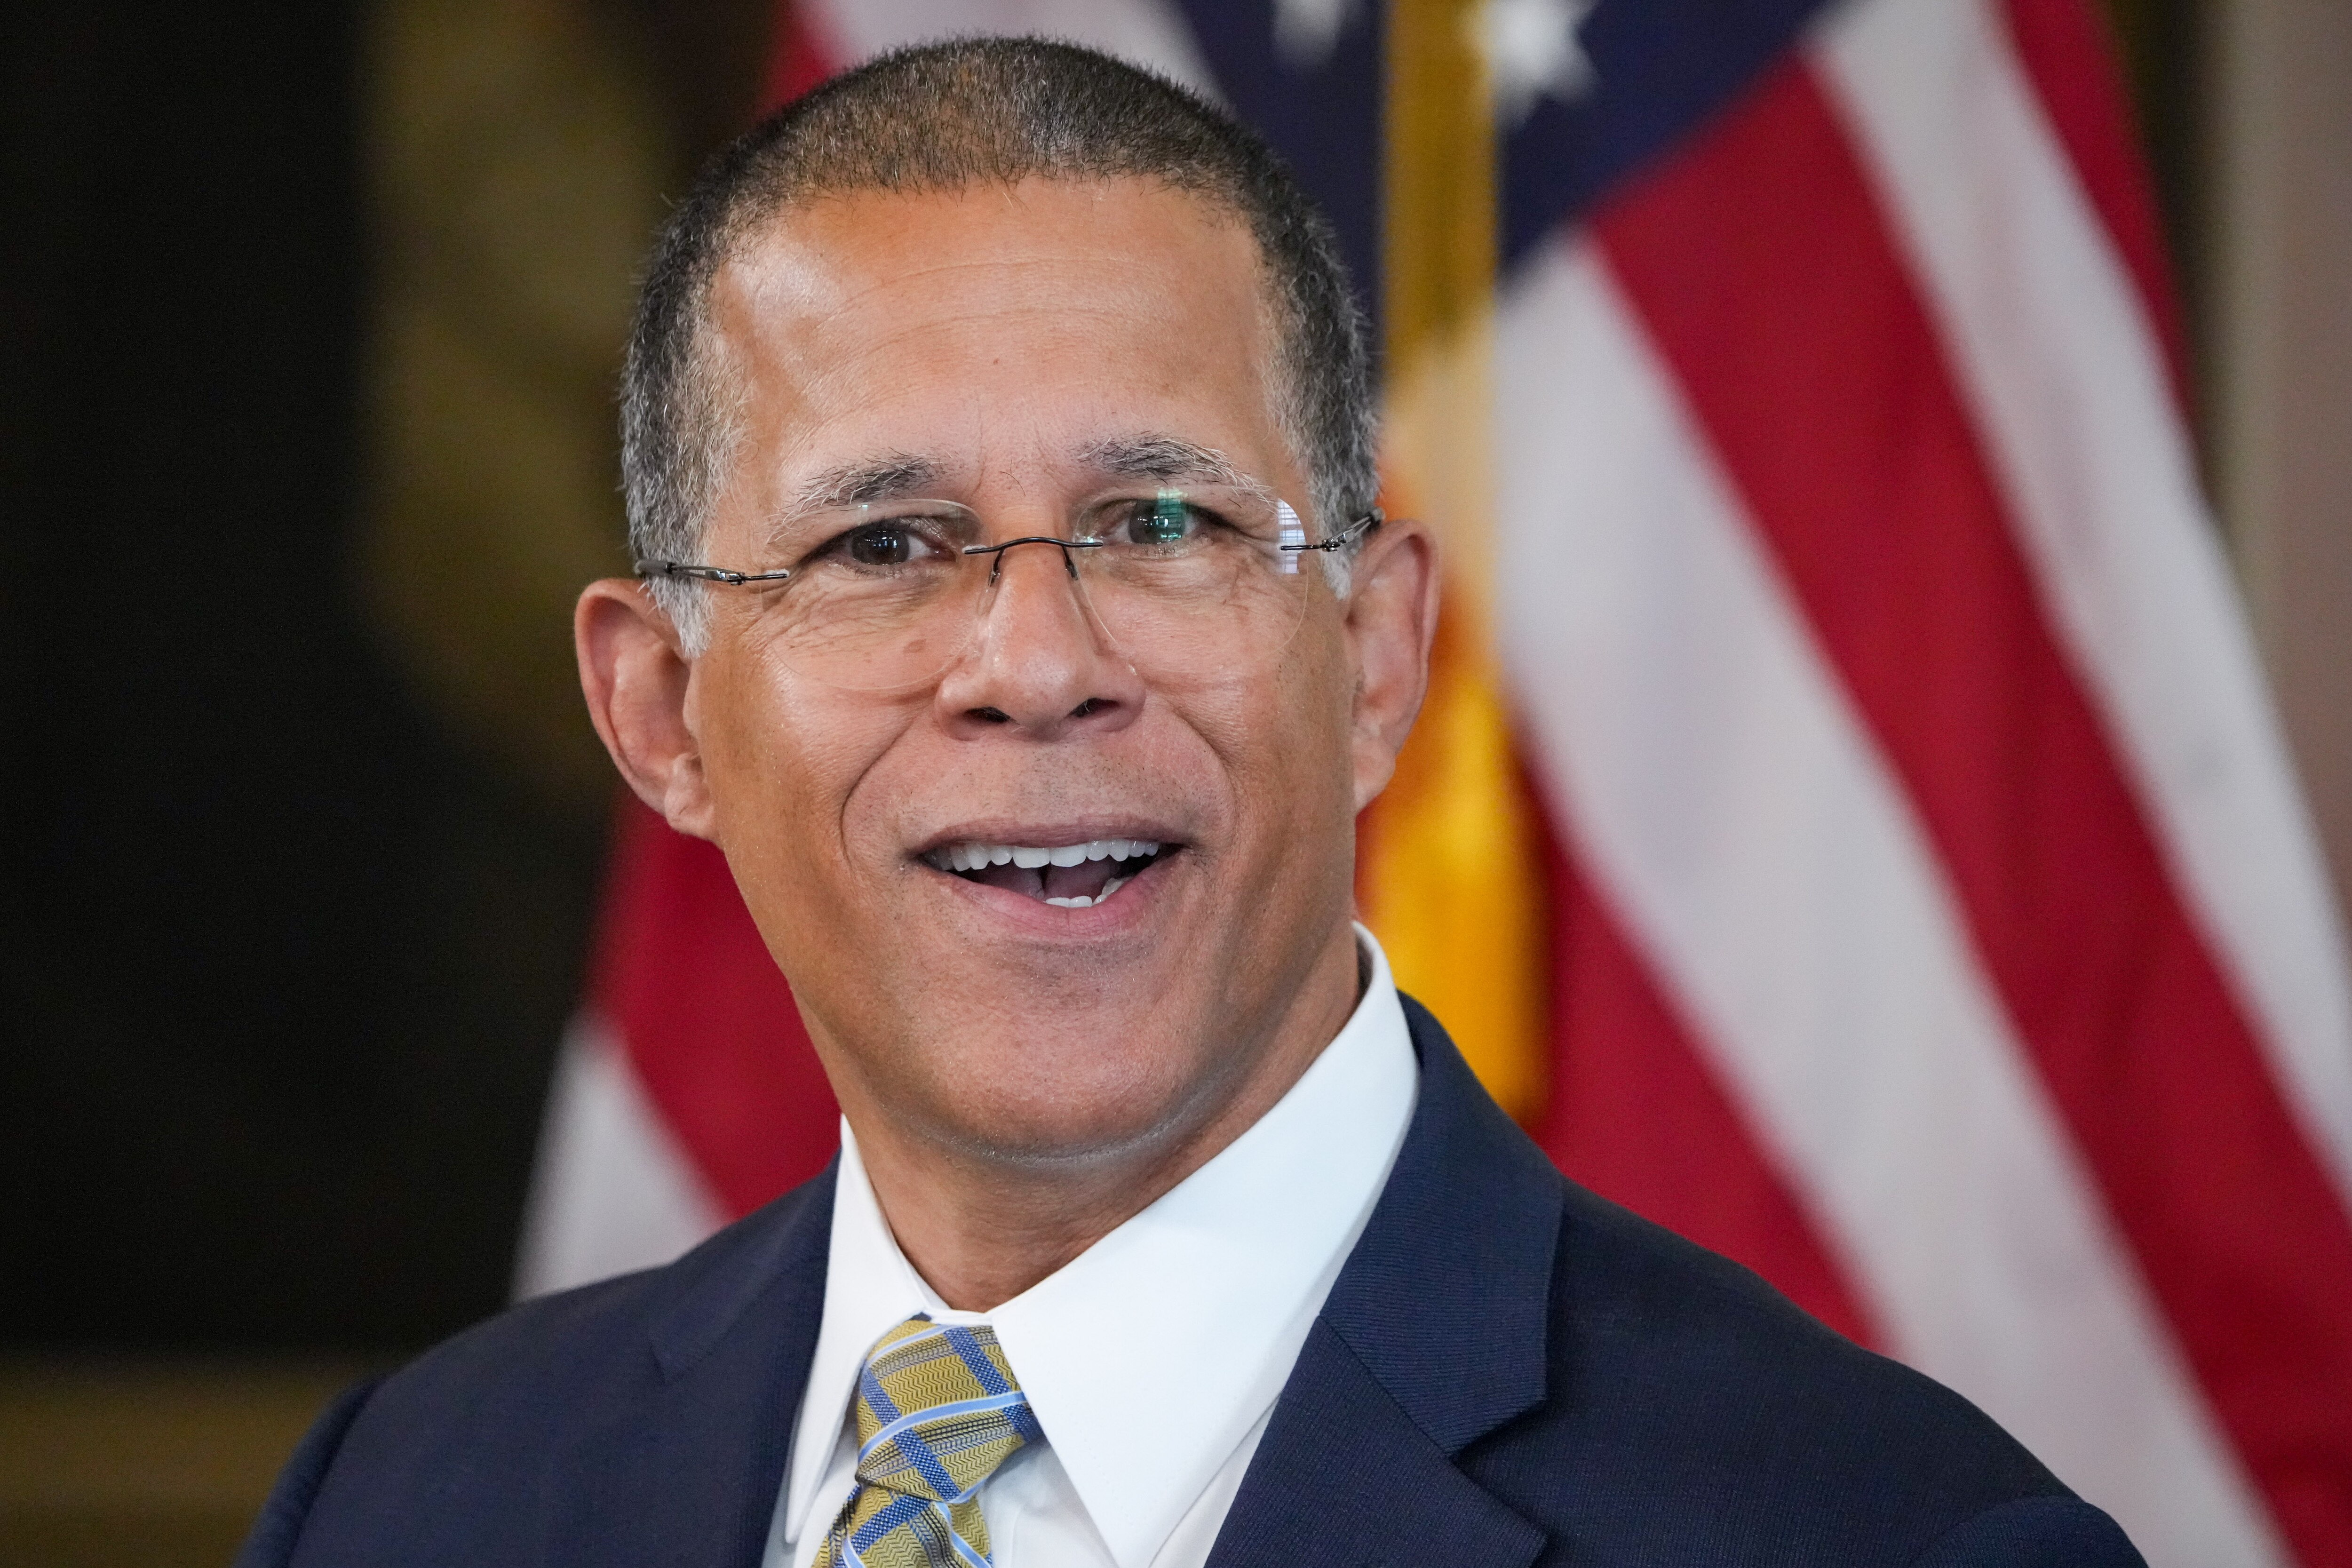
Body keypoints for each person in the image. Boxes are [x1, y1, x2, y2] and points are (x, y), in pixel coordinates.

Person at [238, 39, 2143, 1568]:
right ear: (661, 714)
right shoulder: (412, 1502)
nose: (1036, 659)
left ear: (1374, 659)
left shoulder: (1888, 1540)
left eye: (1161, 525)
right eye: (886, 541)